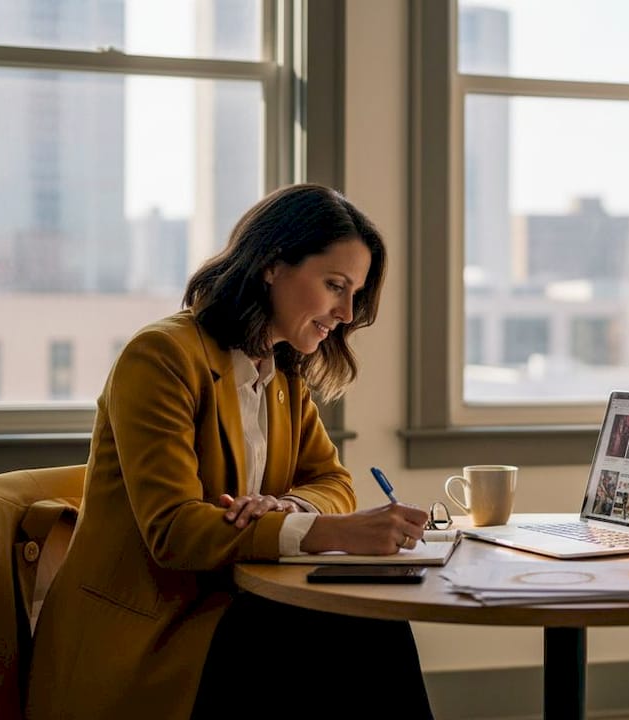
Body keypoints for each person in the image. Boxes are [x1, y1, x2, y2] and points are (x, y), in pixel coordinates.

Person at [25, 184, 433, 720]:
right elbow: (173, 531)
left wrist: (287, 508)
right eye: (335, 285)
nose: (346, 312)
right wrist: (324, 531)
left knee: (370, 628)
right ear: (271, 264)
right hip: (149, 633)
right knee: (354, 641)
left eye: (354, 293)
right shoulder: (162, 357)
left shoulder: (282, 374)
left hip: (226, 609)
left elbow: (333, 481)